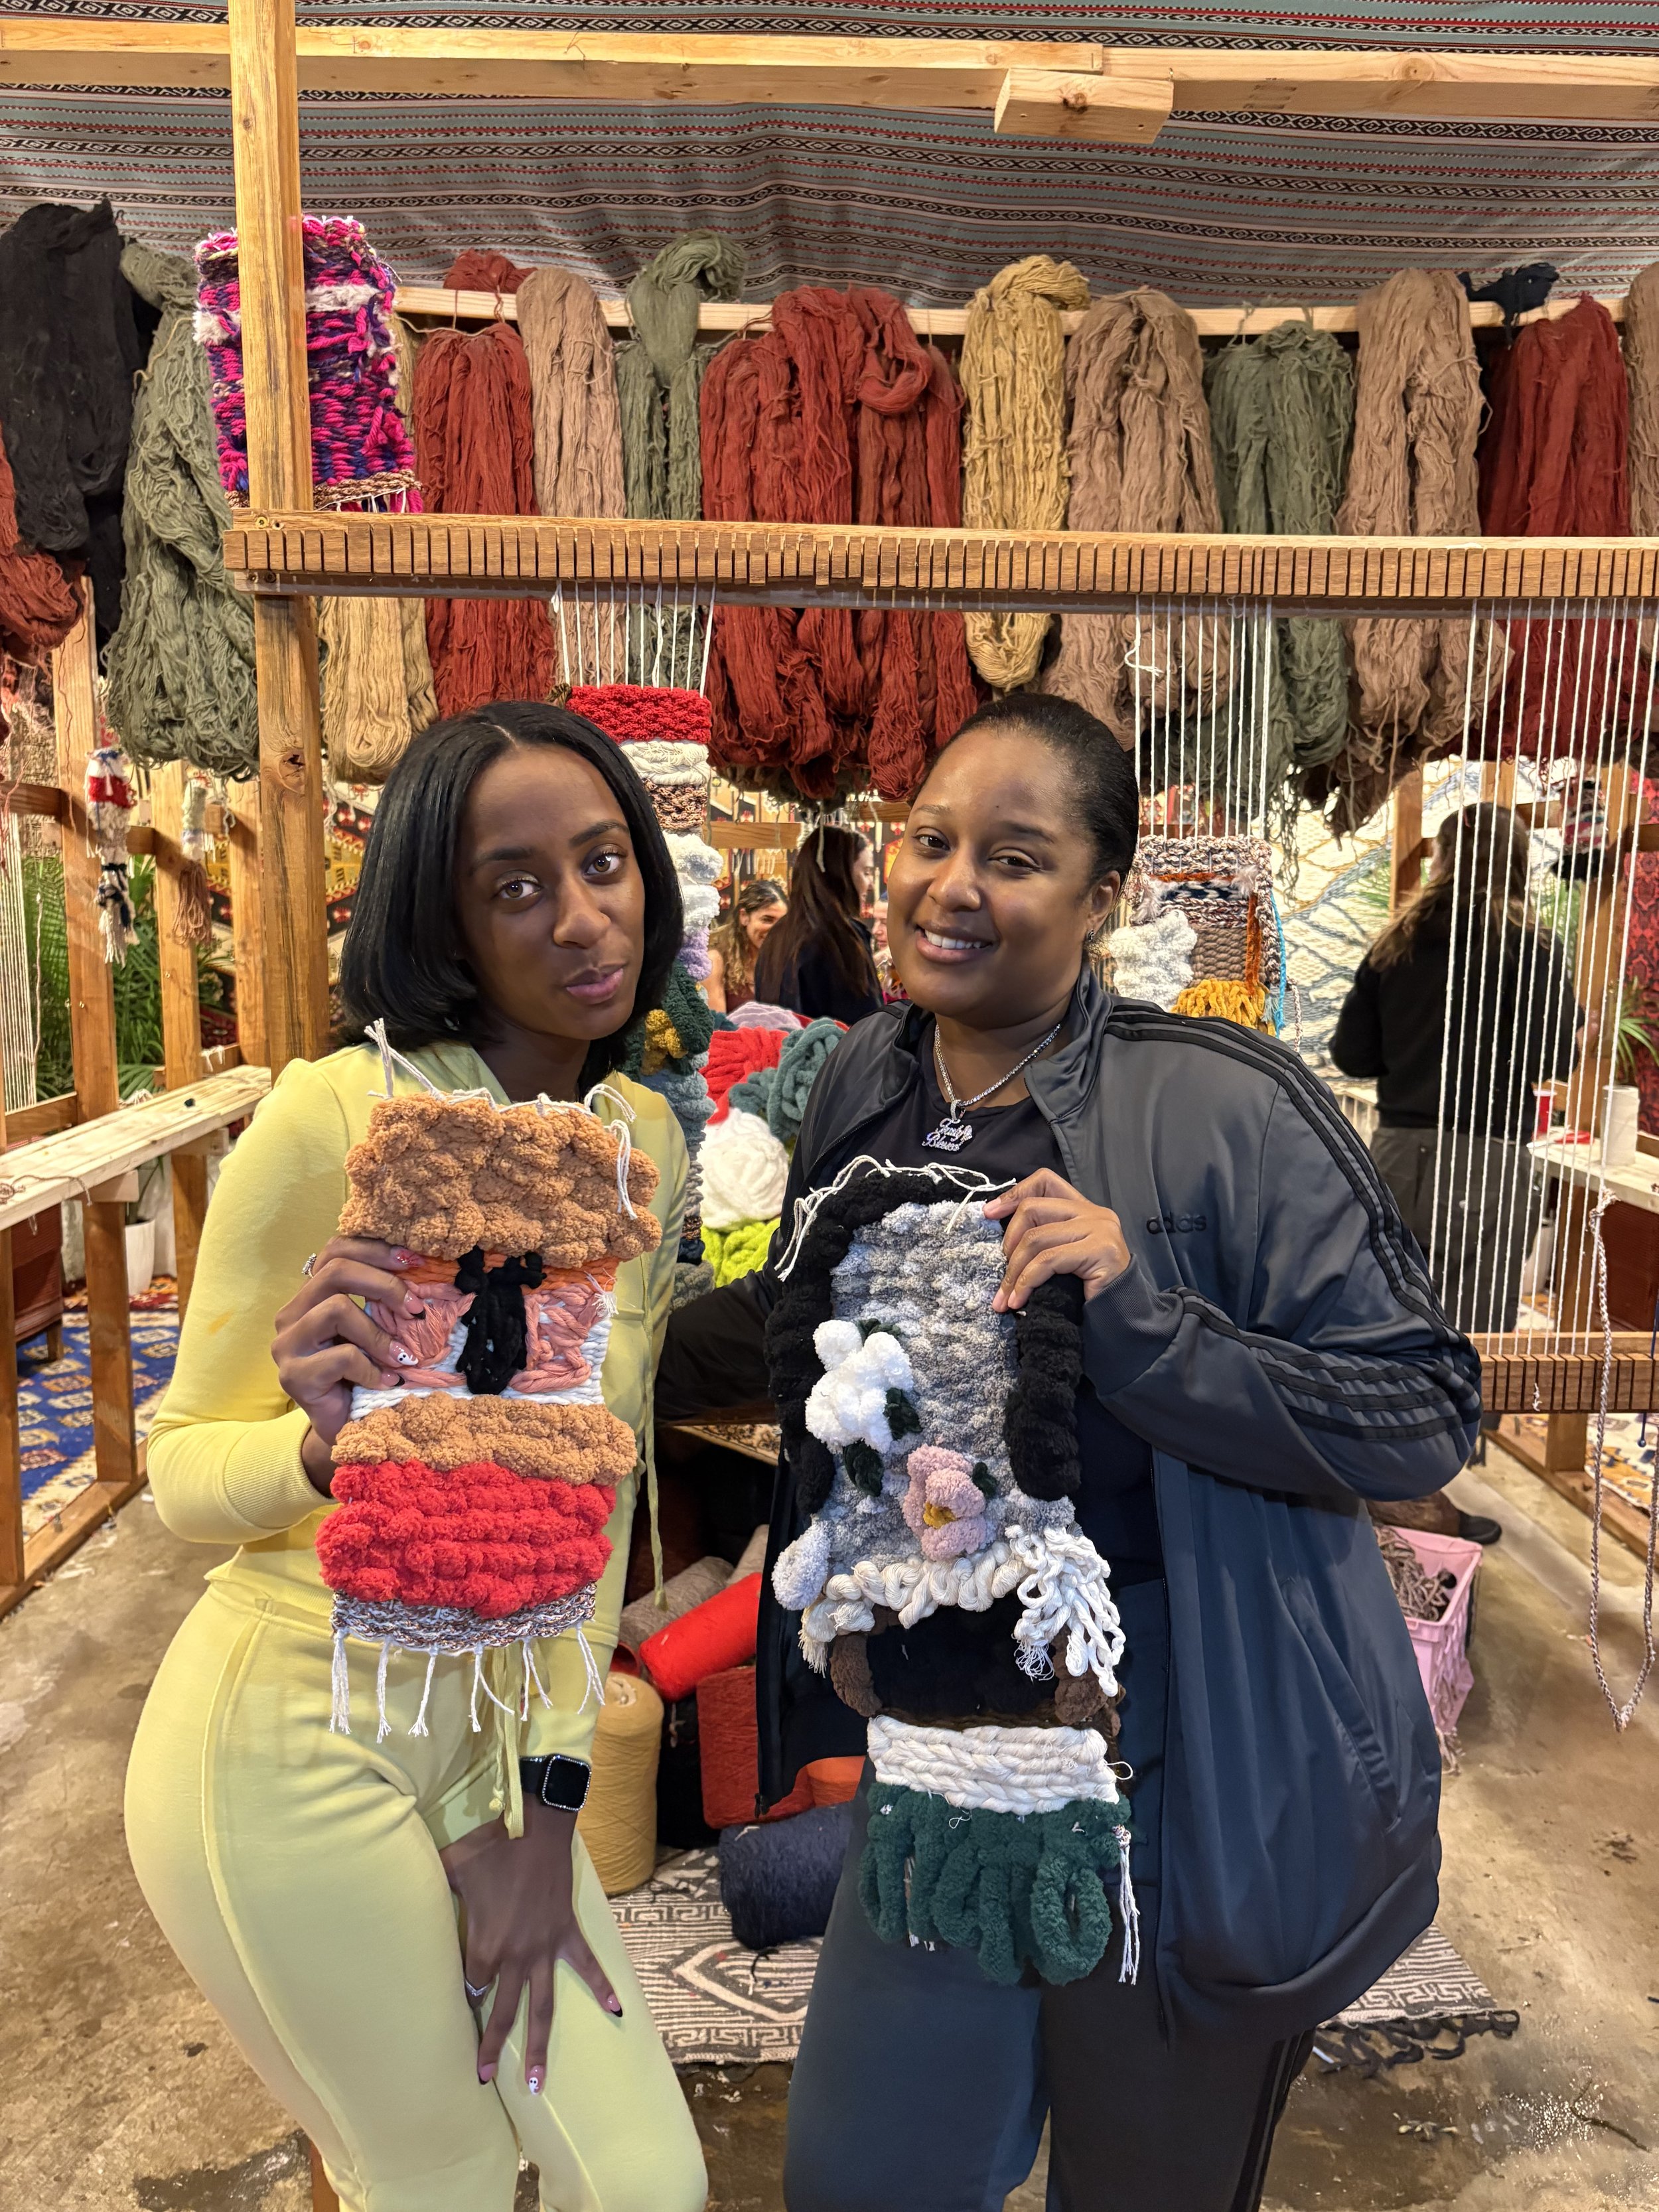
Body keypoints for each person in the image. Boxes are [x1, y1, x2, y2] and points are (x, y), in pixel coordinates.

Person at [658, 692, 1480, 2212]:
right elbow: (858, 1394)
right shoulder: (862, 1081)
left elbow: (1424, 1409)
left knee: (1144, 2182)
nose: (952, 884)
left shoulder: (1221, 1108)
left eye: (1017, 856)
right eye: (930, 841)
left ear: (1106, 896)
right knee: (865, 2174)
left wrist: (1146, 1325)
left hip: (1168, 1751)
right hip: (942, 1752)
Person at [124, 704, 707, 2212]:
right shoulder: (340, 1116)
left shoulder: (637, 1129)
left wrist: (550, 1808)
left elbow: (602, 1492)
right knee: (434, 2175)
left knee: (639, 2182)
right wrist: (321, 1455)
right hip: (298, 1725)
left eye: (602, 863)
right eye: (516, 885)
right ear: (441, 916)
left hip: (498, 1731)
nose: (582, 917)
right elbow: (179, 1467)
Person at [1331, 805, 1580, 1546]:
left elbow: (1352, 1055)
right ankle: (1427, 1500)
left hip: (1402, 1151)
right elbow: (1555, 1060)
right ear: (1517, 864)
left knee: (1385, 1318)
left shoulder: (1397, 944)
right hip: (1495, 1159)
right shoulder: (1535, 948)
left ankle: (1382, 1494)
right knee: (1468, 1333)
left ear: (1439, 859)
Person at [752, 822, 883, 1025]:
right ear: (841, 874)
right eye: (866, 872)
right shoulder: (841, 935)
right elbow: (867, 1023)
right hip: (834, 1054)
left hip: (782, 1053)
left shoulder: (778, 933)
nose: (870, 883)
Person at [704, 875, 786, 1014]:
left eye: (782, 923)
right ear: (744, 917)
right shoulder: (715, 961)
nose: (776, 931)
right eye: (767, 920)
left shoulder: (786, 963)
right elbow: (716, 1028)